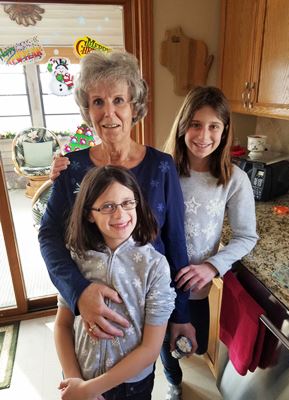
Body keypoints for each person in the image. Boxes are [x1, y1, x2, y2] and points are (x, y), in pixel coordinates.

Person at [39, 49, 197, 382]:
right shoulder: (72, 168)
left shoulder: (161, 166)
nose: (108, 112)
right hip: (90, 326)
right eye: (97, 102)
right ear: (87, 109)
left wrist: (181, 312)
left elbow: (175, 241)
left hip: (145, 312)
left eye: (118, 100)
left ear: (134, 106)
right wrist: (78, 291)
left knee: (140, 381)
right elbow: (49, 235)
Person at [161, 86, 258, 399]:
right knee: (162, 345)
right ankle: (174, 382)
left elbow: (246, 235)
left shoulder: (234, 179)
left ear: (225, 130)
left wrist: (211, 267)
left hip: (197, 288)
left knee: (196, 343)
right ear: (182, 126)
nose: (204, 135)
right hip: (158, 283)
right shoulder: (163, 170)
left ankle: (176, 367)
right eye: (195, 124)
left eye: (213, 126)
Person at [55, 165, 176, 400]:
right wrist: (77, 383)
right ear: (90, 213)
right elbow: (62, 326)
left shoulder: (155, 266)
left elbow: (151, 349)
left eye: (128, 203)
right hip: (80, 376)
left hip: (130, 386)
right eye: (108, 206)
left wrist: (92, 389)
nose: (120, 214)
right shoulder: (76, 258)